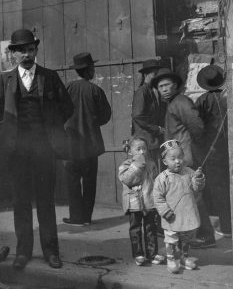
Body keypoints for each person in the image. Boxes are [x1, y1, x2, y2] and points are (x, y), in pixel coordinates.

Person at [0, 29, 74, 269]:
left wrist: (51, 129)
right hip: (17, 152)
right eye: (21, 50)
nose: (26, 54)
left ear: (36, 51)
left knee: (45, 201)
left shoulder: (50, 77)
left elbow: (67, 108)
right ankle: (23, 252)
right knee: (21, 201)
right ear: (13, 54)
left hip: (44, 149)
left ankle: (51, 252)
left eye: (30, 49)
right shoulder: (5, 80)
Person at [151, 68, 216, 248]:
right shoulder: (173, 103)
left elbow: (196, 126)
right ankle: (196, 233)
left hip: (186, 155)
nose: (163, 89)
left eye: (167, 85)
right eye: (160, 86)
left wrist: (194, 148)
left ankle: (204, 234)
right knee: (188, 195)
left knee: (193, 196)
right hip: (181, 155)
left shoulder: (180, 101)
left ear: (176, 85)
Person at [63, 53, 112, 226]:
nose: (94, 71)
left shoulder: (67, 88)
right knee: (90, 182)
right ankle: (86, 218)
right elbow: (106, 116)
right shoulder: (96, 90)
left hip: (71, 144)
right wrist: (92, 123)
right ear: (89, 69)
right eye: (93, 68)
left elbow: (59, 113)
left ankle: (76, 217)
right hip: (91, 145)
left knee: (73, 182)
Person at [153, 139, 205, 273]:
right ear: (165, 161)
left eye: (180, 157)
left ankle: (183, 257)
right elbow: (157, 198)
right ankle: (171, 259)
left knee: (186, 238)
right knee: (171, 238)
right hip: (171, 216)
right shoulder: (162, 178)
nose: (178, 161)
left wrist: (198, 178)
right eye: (173, 158)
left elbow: (197, 188)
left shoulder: (189, 172)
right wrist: (165, 212)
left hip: (187, 213)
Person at [195, 65, 232, 237]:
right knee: (228, 186)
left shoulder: (202, 100)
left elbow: (197, 126)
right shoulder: (228, 96)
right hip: (230, 148)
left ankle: (226, 227)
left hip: (212, 150)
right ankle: (229, 223)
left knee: (218, 189)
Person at [118, 136, 165, 266]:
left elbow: (156, 180)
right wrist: (137, 165)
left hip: (149, 201)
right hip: (134, 203)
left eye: (144, 149)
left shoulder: (151, 164)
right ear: (130, 152)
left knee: (151, 228)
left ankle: (152, 253)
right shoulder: (126, 165)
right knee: (135, 229)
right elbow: (126, 179)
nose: (142, 152)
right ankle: (138, 254)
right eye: (138, 149)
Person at [132, 59, 166, 167]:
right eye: (154, 74)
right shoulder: (142, 92)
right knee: (148, 173)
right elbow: (138, 116)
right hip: (144, 140)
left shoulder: (153, 91)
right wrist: (157, 129)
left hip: (152, 141)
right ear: (146, 74)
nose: (156, 78)